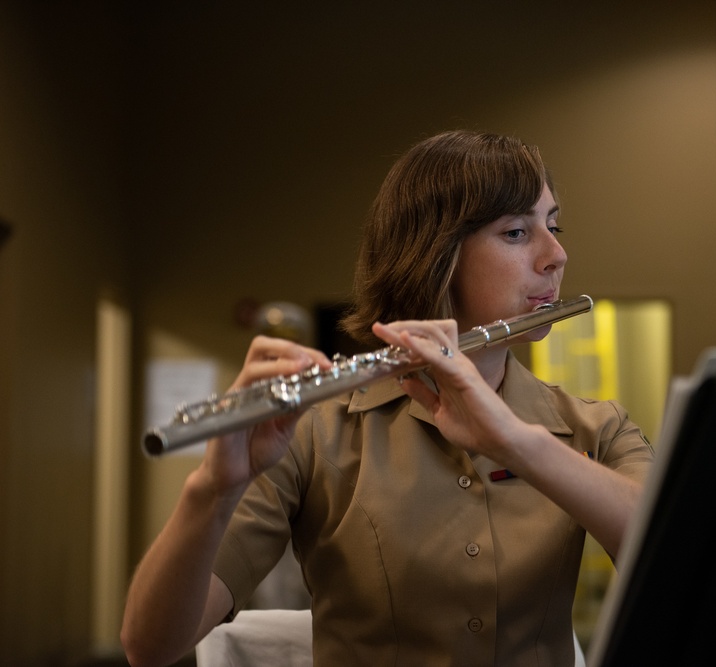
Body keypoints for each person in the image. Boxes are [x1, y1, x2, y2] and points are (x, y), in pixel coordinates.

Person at [121, 130, 654, 666]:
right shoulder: (311, 433)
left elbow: (677, 559)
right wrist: (213, 488)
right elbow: (150, 645)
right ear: (435, 254)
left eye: (553, 225)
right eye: (517, 231)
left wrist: (519, 443)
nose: (556, 254)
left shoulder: (597, 428)